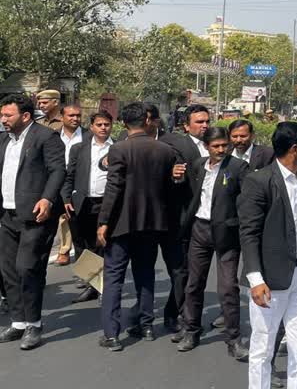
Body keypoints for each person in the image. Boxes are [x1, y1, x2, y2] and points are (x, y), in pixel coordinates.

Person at [238, 122, 297, 389]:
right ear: (295, 149)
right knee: (263, 345)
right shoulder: (259, 181)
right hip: (271, 278)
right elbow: (249, 234)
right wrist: (255, 279)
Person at [96, 102, 179, 351]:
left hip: (121, 224)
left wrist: (103, 222)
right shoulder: (165, 150)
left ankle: (112, 334)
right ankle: (146, 325)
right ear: (147, 120)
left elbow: (113, 189)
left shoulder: (118, 149)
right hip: (152, 223)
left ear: (123, 123)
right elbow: (168, 189)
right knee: (145, 274)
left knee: (113, 278)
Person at [175, 127, 250, 361]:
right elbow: (187, 192)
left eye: (224, 145)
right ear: (206, 146)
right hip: (199, 229)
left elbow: (249, 199)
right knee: (193, 284)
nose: (221, 150)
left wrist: (238, 224)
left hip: (226, 234)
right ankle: (191, 331)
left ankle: (233, 340)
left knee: (228, 288)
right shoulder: (198, 166)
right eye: (215, 146)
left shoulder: (238, 168)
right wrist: (176, 178)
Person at [0, 94, 66, 350]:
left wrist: (48, 199)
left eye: (8, 115)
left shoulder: (45, 137)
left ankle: (34, 325)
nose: (3, 120)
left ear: (25, 116)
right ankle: (18, 322)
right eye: (2, 115)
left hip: (37, 215)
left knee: (28, 268)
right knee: (8, 270)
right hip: (7, 215)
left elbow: (58, 170)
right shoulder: (4, 139)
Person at [161, 103, 210, 334]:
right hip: (182, 218)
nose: (205, 126)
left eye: (207, 121)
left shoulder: (216, 146)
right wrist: (175, 177)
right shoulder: (177, 146)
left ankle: (188, 314)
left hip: (207, 219)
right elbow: (171, 173)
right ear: (186, 126)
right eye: (199, 122)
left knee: (196, 272)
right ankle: (175, 313)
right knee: (181, 270)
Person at [61, 110, 114, 304]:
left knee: (102, 244)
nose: (102, 128)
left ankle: (103, 288)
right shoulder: (79, 148)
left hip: (106, 203)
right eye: (99, 124)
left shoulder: (117, 148)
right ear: (91, 127)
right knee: (82, 244)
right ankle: (91, 286)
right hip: (81, 202)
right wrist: (66, 198)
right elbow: (69, 176)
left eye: (106, 124)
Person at [54, 104, 85, 266]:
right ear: (62, 117)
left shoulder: (88, 137)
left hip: (77, 185)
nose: (75, 119)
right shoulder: (53, 136)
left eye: (78, 115)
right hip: (55, 182)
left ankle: (65, 251)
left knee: (73, 221)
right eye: (71, 115)